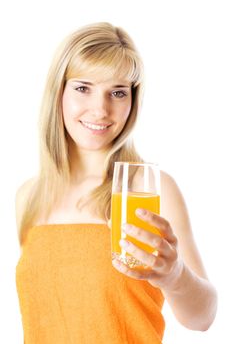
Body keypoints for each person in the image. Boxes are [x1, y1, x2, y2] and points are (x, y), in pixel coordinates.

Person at [15, 22, 217, 343]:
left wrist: (175, 276)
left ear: (132, 102)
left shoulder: (151, 188)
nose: (100, 109)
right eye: (83, 88)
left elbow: (203, 318)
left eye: (118, 92)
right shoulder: (30, 196)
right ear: (59, 92)